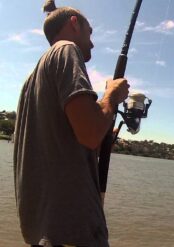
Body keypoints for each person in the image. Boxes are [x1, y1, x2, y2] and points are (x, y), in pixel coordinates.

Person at [13, 1, 129, 246]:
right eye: (90, 32)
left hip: (42, 231)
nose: (93, 42)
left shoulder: (30, 81)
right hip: (72, 230)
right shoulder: (66, 50)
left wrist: (102, 140)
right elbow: (89, 132)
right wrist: (112, 94)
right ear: (74, 24)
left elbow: (71, 142)